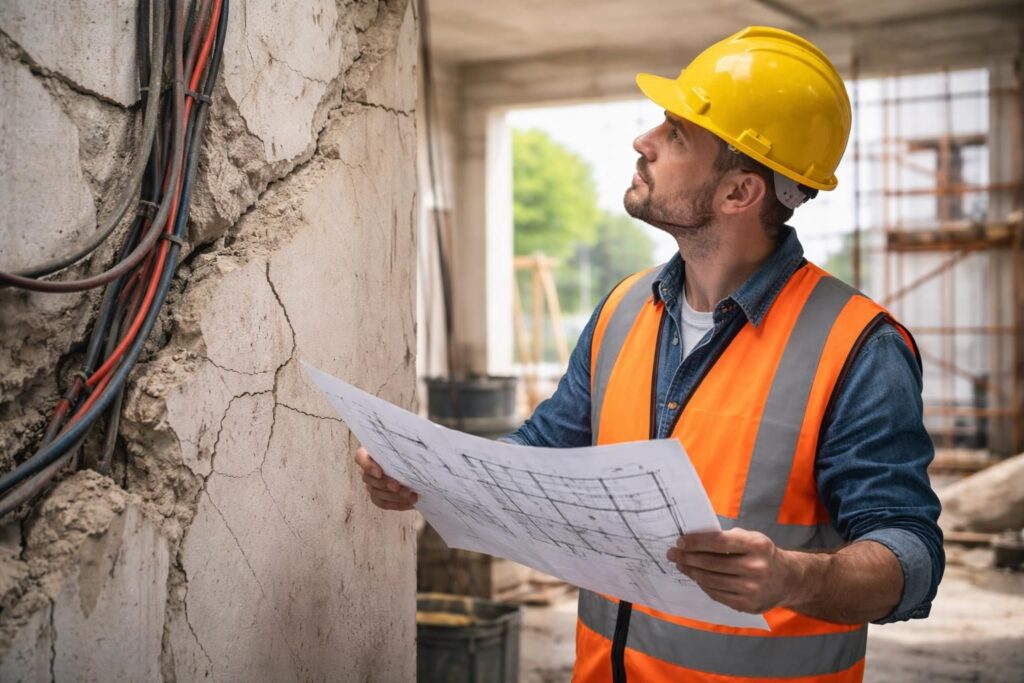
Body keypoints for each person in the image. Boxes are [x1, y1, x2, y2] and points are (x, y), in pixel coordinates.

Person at [356, 26, 943, 683]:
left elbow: (911, 555)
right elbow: (539, 453)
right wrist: (428, 473)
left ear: (739, 193)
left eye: (677, 134)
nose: (645, 140)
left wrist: (794, 577)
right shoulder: (623, 308)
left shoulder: (859, 345)